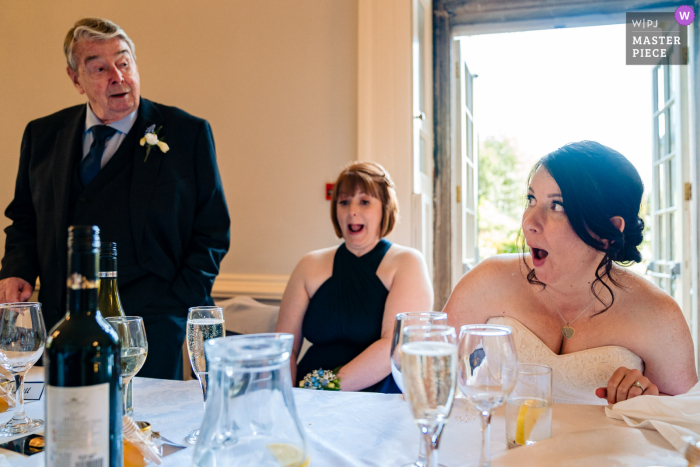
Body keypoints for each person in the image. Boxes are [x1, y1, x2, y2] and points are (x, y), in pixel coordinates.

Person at [0, 18, 230, 380]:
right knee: (68, 425)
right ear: (76, 79)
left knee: (143, 432)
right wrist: (16, 270)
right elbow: (25, 219)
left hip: (150, 328)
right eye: (100, 68)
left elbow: (213, 229)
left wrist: (177, 302)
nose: (118, 77)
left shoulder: (188, 134)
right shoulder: (43, 135)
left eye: (124, 63)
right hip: (64, 321)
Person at [446, 141, 698, 405]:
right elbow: (430, 367)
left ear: (607, 233)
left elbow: (682, 422)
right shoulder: (489, 279)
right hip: (493, 442)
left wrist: (649, 400)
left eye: (557, 206)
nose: (530, 222)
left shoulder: (658, 315)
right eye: (531, 199)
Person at [275, 162, 433, 392]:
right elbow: (284, 349)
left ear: (384, 208)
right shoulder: (309, 265)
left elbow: (395, 346)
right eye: (344, 202)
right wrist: (286, 402)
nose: (352, 211)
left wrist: (324, 389)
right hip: (305, 396)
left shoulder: (407, 262)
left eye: (365, 202)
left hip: (377, 397)